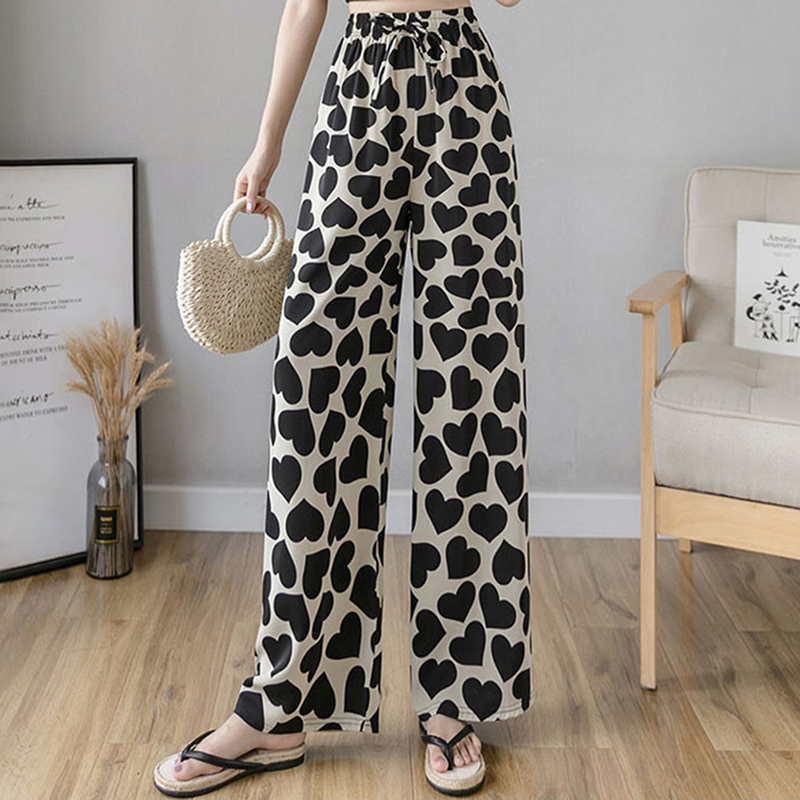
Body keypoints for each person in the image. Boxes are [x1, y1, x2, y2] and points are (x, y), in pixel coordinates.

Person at [153, 0, 530, 795]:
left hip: (465, 89)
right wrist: (267, 142)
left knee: (474, 383)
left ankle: (456, 695)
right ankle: (279, 702)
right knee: (316, 385)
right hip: (359, 86)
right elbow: (305, 3)